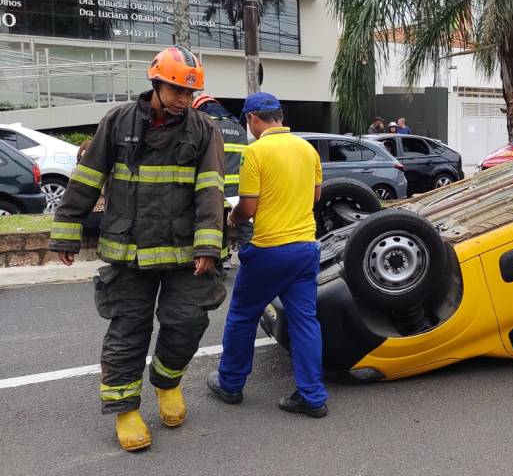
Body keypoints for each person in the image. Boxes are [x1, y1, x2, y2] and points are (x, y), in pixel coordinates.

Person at [48, 45, 226, 452]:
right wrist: (66, 230)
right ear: (156, 83)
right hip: (128, 249)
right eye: (177, 90)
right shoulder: (119, 121)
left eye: (190, 92)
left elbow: (210, 190)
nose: (184, 100)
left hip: (184, 252)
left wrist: (208, 245)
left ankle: (167, 382)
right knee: (127, 331)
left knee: (188, 322)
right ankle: (126, 410)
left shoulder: (204, 129)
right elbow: (88, 176)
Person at [207, 91, 328, 418]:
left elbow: (248, 207)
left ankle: (230, 384)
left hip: (269, 249)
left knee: (243, 316)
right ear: (280, 116)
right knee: (305, 322)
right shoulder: (307, 149)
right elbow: (316, 196)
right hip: (305, 248)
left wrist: (233, 219)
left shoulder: (255, 152)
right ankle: (313, 397)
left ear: (252, 119)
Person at [192, 93, 251, 264]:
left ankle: (219, 262)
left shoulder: (203, 125)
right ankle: (252, 261)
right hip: (238, 191)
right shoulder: (238, 127)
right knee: (246, 229)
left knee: (215, 229)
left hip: (213, 190)